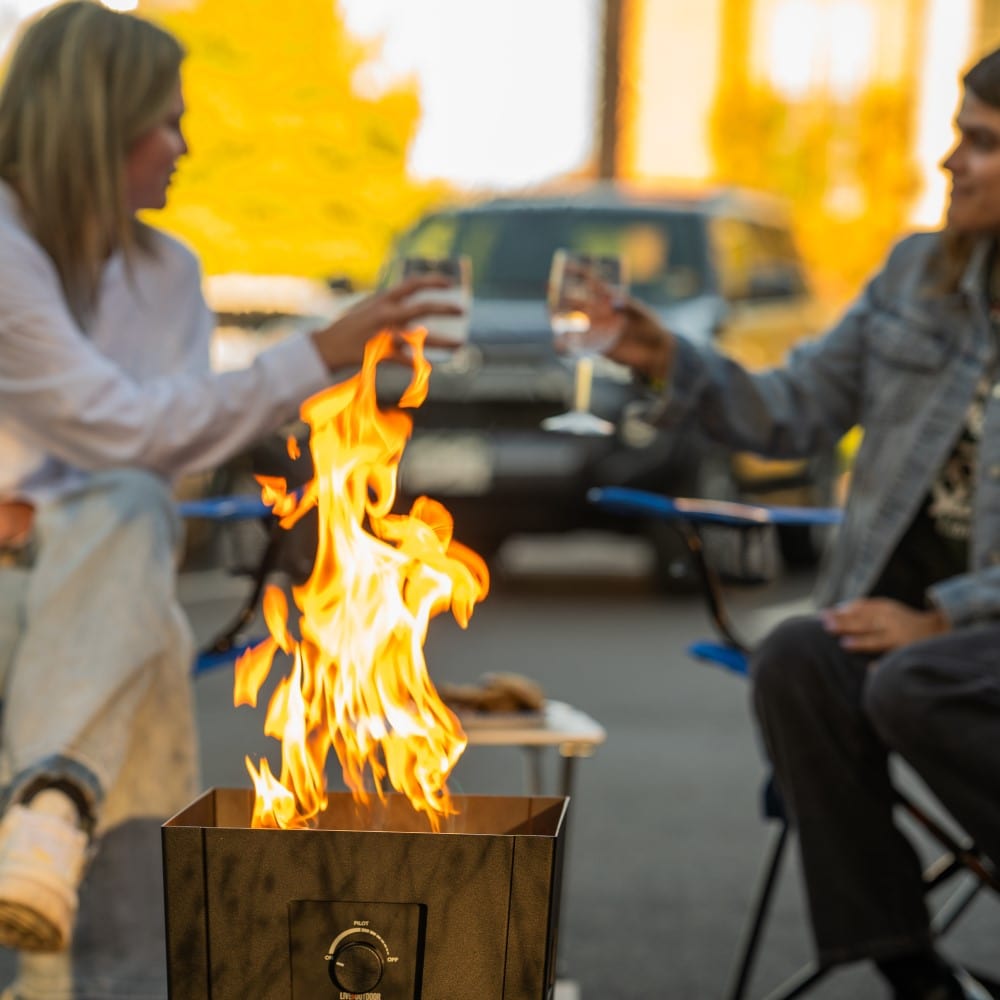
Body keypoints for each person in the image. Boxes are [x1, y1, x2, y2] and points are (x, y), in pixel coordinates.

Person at [0, 2, 460, 997]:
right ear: (97, 123)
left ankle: (50, 816)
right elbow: (126, 424)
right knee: (132, 597)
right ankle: (64, 853)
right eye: (165, 120)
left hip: (94, 570)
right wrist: (320, 354)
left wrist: (53, 495)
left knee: (119, 523)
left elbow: (154, 451)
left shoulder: (169, 274)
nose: (186, 143)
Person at [604, 46, 1000, 1000]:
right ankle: (914, 974)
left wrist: (948, 615)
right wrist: (669, 359)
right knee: (796, 659)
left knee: (910, 680)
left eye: (981, 145)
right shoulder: (919, 274)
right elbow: (793, 410)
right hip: (912, 639)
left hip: (967, 640)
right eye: (956, 138)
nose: (950, 164)